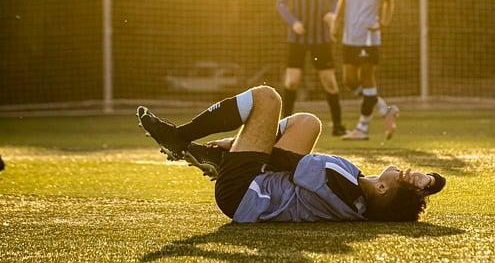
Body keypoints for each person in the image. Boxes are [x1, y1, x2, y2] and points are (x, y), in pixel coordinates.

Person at [136, 86, 445, 223]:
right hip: (259, 189)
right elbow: (429, 185)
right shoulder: (359, 199)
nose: (404, 170)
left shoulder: (343, 183)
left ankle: (181, 138)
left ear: (382, 187)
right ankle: (216, 157)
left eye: (402, 176)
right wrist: (429, 180)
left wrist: (235, 147)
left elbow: (281, 159)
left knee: (267, 99)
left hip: (241, 193)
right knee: (309, 123)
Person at [331, 0, 399, 141]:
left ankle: (362, 128)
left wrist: (384, 22)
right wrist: (335, 20)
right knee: (350, 81)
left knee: (367, 78)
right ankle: (384, 108)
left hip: (369, 35)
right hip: (350, 35)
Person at [276, 0, 346, 137]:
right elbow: (280, 3)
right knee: (291, 82)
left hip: (320, 39)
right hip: (297, 40)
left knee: (329, 81)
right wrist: (293, 22)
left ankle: (338, 125)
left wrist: (332, 14)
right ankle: (282, 128)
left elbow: (335, 0)